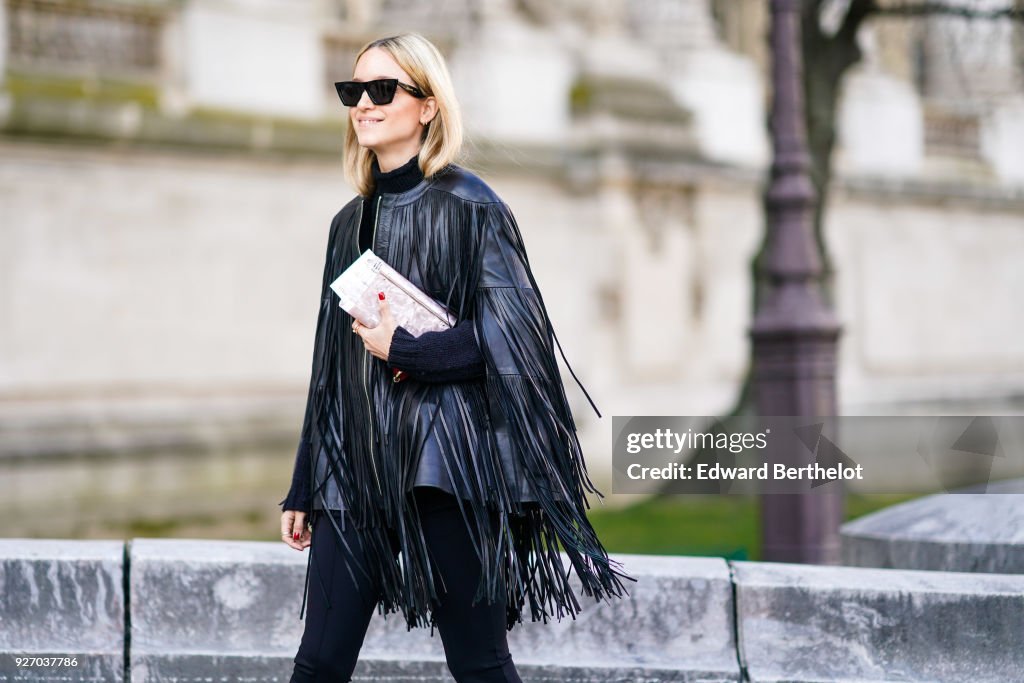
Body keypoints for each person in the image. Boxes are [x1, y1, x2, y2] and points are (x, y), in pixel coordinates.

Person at [278, 32, 631, 683]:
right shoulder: (345, 224)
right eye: (352, 91)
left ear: (428, 104)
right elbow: (329, 367)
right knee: (319, 662)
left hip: (450, 462)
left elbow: (515, 341)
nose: (363, 104)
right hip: (354, 465)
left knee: (480, 664)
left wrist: (404, 349)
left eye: (382, 89)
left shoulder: (475, 207)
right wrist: (305, 484)